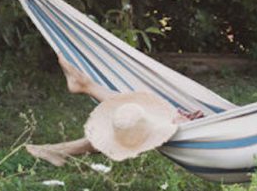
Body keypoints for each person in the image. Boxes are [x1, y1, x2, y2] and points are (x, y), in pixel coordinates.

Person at [25, 54, 203, 166]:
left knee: (136, 126)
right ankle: (86, 86)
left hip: (229, 133)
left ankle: (86, 86)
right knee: (134, 125)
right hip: (226, 128)